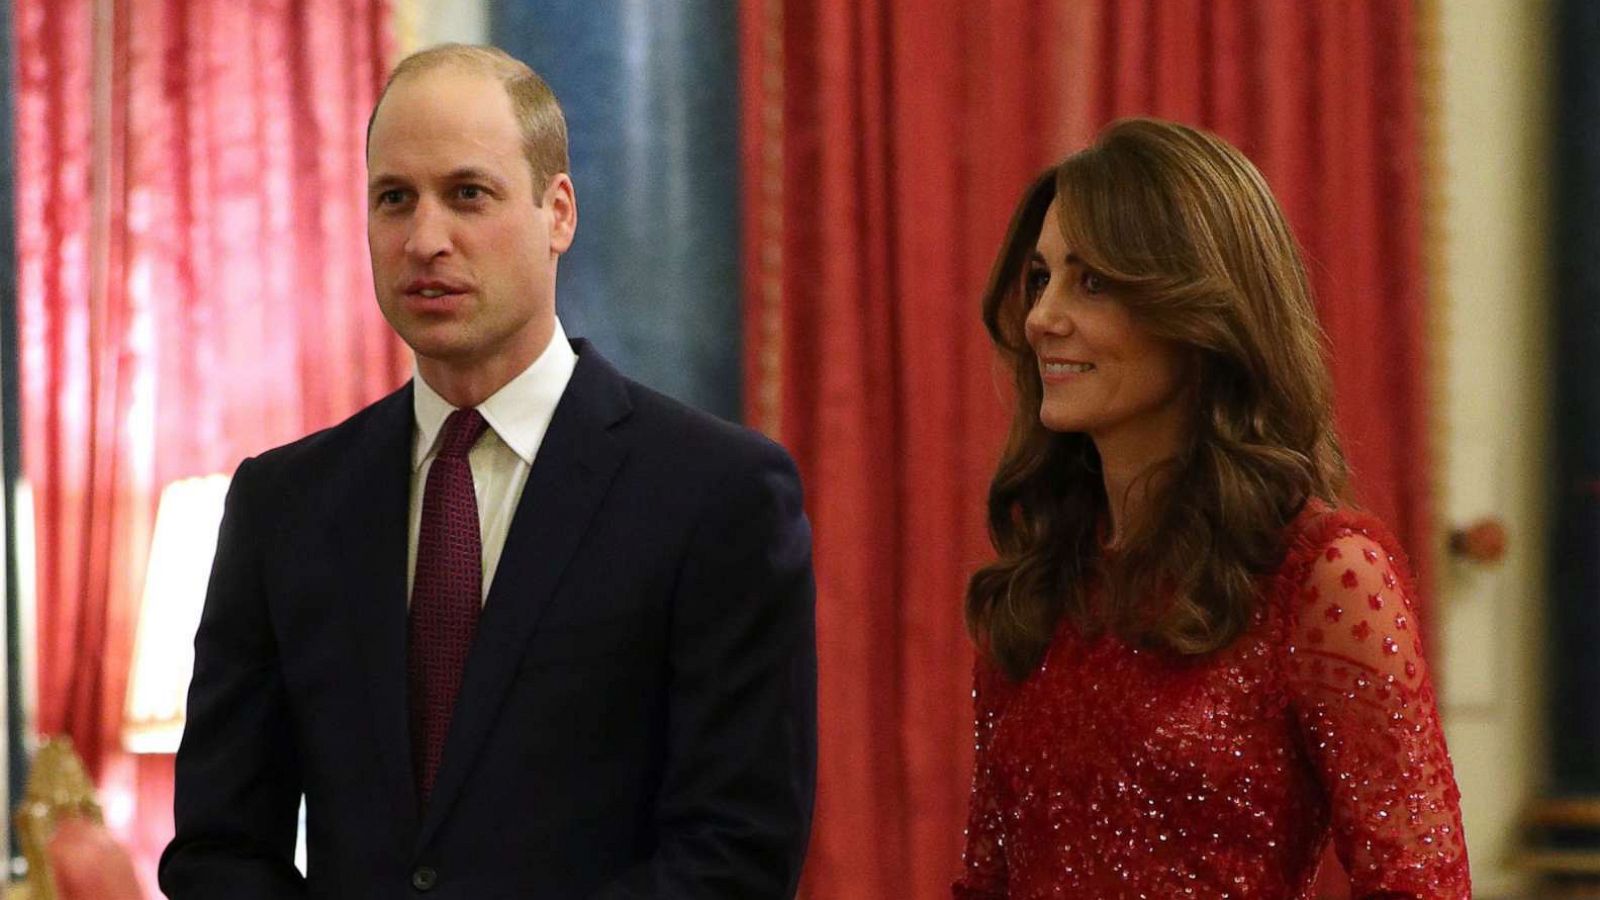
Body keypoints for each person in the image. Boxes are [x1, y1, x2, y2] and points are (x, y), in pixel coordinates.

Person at [159, 44, 816, 899]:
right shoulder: (284, 504)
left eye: (467, 194)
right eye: (395, 199)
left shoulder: (718, 495)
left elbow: (738, 854)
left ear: (559, 212)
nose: (425, 239)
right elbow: (219, 847)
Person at [954, 118, 1469, 898]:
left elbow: (1420, 884)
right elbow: (986, 881)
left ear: (1201, 313)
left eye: (1091, 281)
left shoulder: (1325, 575)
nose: (1041, 318)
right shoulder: (1042, 580)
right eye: (1039, 278)